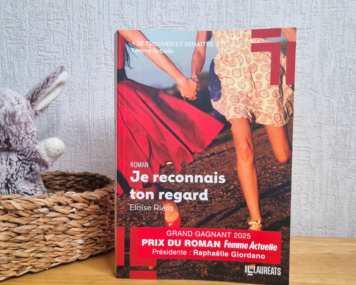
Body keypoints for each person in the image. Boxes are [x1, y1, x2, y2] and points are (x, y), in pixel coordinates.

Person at [117, 30, 224, 227]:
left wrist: (181, 80)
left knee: (137, 187)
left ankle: (166, 199)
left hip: (122, 105)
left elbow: (147, 46)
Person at [191, 29, 295, 231]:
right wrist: (194, 76)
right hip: (229, 75)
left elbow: (291, 33)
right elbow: (199, 50)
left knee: (283, 155)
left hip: (265, 69)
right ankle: (256, 221)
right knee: (244, 147)